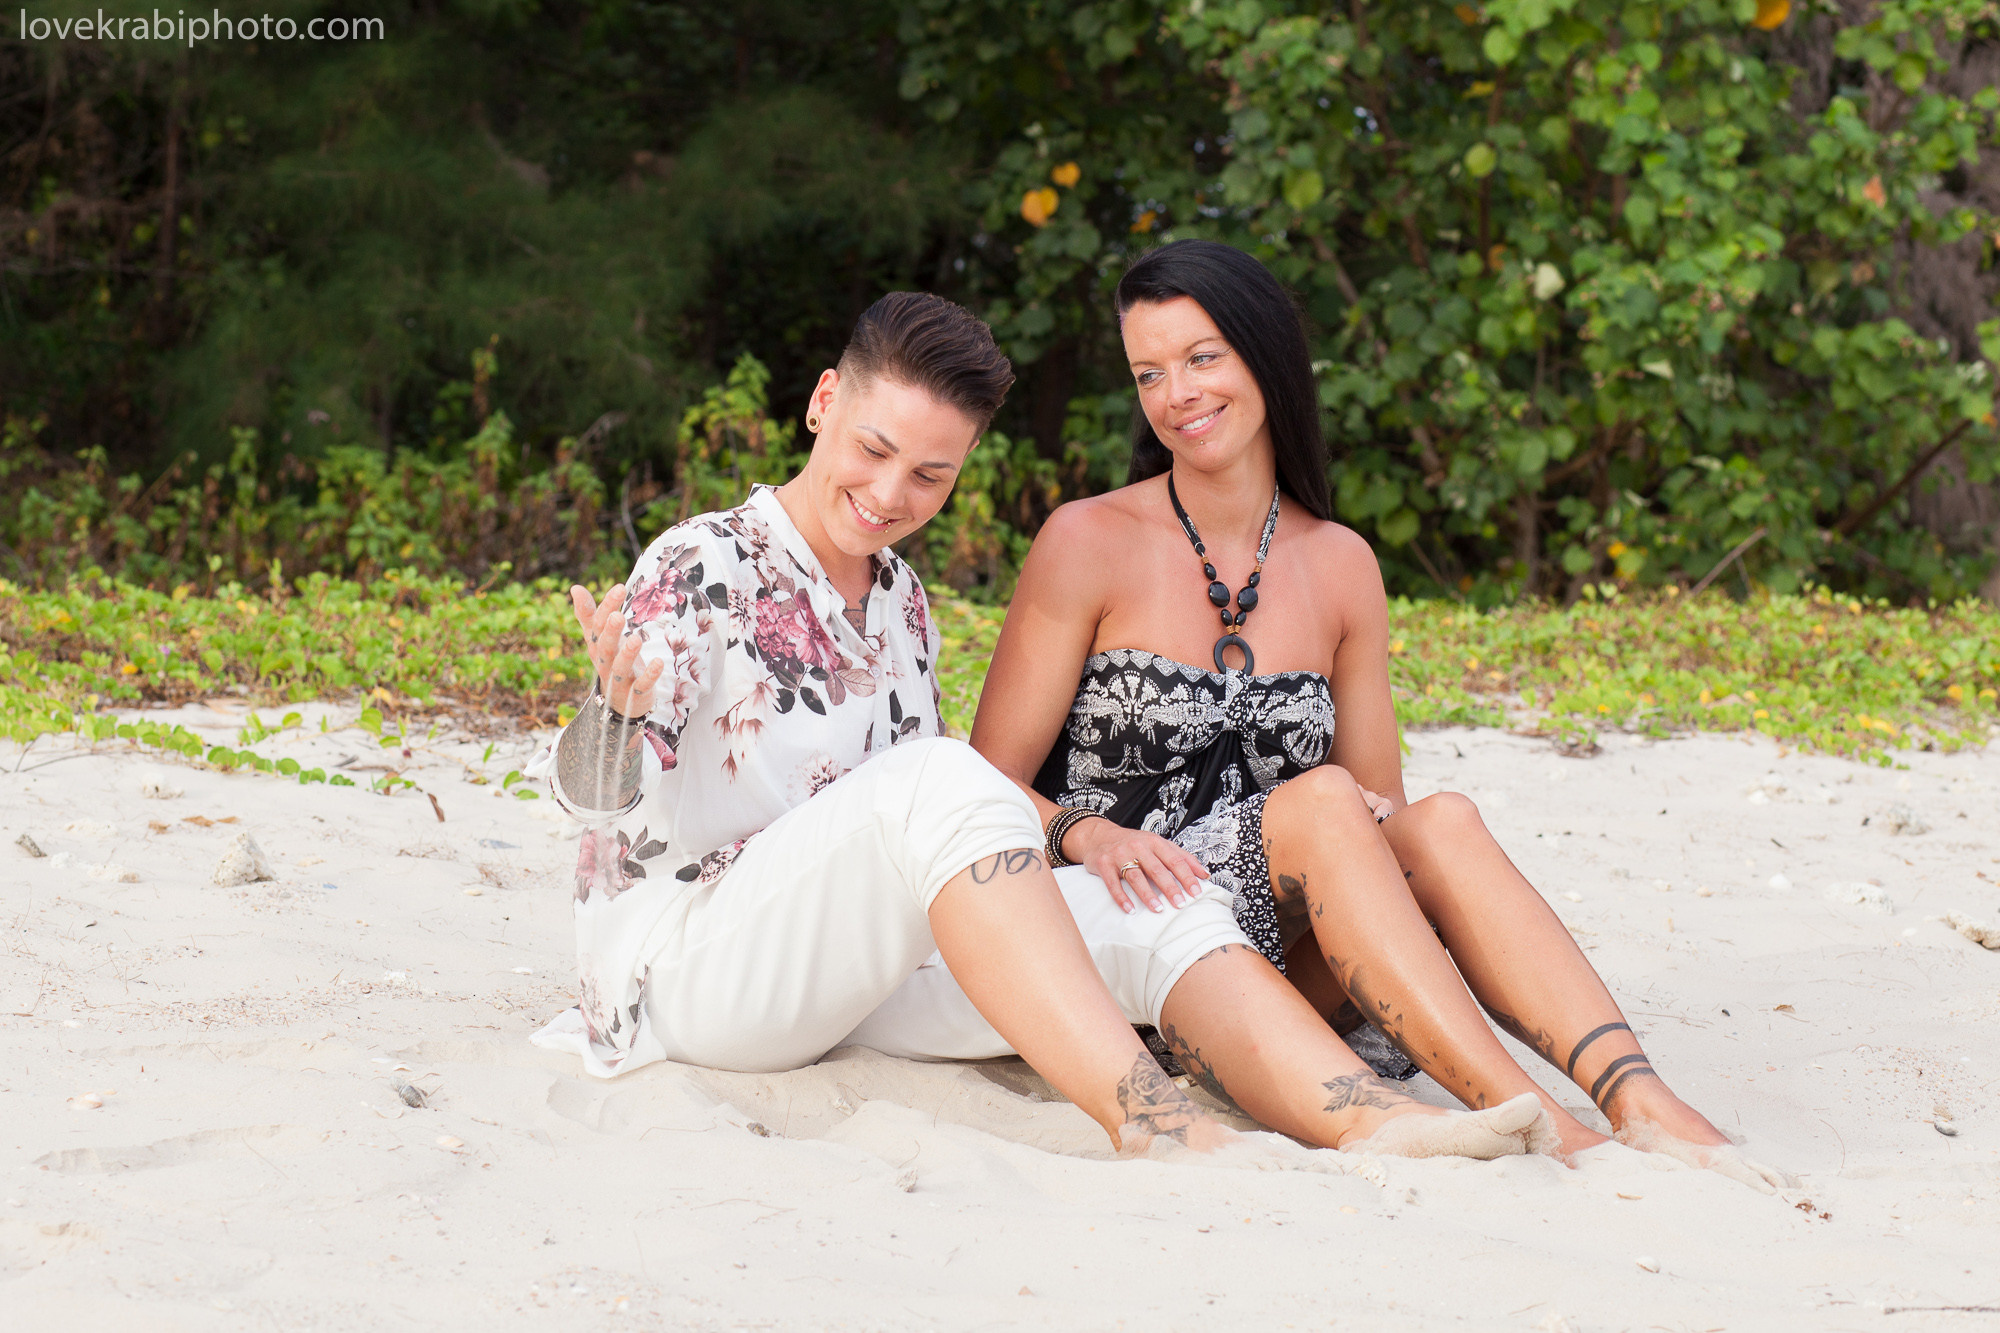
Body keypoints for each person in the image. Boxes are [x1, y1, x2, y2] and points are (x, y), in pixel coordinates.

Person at [526, 290, 1554, 1163]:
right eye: (872, 449)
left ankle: (1360, 1114)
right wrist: (613, 708)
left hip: (858, 973)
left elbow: (919, 833)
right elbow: (599, 794)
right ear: (822, 402)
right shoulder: (700, 562)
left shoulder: (902, 600)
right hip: (700, 977)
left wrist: (1081, 845)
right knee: (944, 773)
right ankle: (1155, 1123)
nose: (890, 494)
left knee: (1157, 903)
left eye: (930, 474)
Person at [963, 240, 1792, 1191]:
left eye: (1202, 358)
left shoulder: (1342, 563)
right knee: (1324, 804)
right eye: (1149, 372)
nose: (1176, 393)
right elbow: (980, 788)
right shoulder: (1088, 539)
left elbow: (1380, 804)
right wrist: (1087, 831)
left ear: (1262, 356)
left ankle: (1637, 1096)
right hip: (1131, 938)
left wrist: (1386, 825)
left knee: (1441, 821)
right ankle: (1529, 1118)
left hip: (1279, 950)